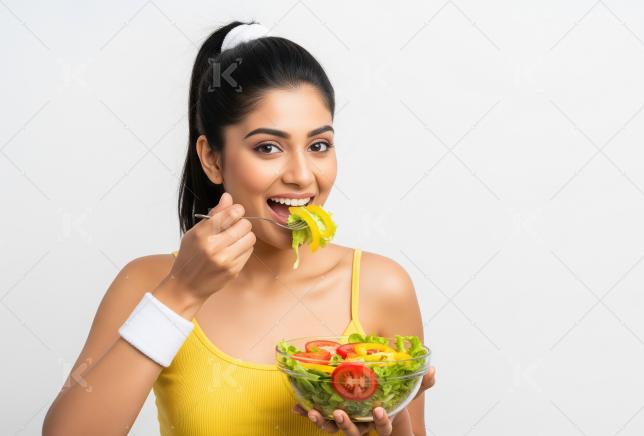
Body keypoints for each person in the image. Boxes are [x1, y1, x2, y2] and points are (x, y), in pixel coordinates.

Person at [43, 20, 435, 436]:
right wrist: (181, 294)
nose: (302, 175)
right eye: (268, 147)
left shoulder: (382, 287)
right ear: (212, 159)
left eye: (318, 145)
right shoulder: (148, 281)